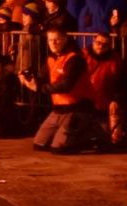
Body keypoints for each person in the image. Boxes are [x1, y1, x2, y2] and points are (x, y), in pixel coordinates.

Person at [21, 23, 99, 153]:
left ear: (65, 39)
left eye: (57, 40)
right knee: (39, 145)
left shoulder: (74, 59)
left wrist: (40, 88)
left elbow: (66, 85)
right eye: (50, 40)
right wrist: (29, 78)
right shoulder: (53, 58)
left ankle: (89, 134)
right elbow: (41, 76)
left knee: (59, 149)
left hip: (77, 107)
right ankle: (69, 134)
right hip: (59, 108)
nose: (53, 43)